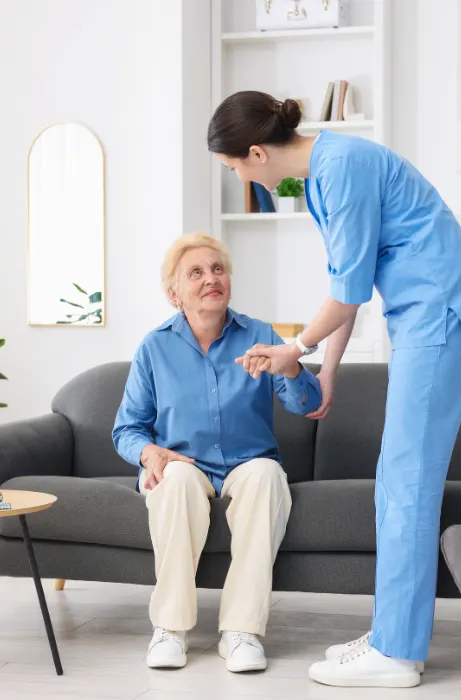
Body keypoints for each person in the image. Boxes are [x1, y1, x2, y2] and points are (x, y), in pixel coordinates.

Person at [208, 91, 461, 689]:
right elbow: (352, 279)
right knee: (400, 478)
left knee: (406, 479)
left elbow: (347, 295)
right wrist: (330, 370)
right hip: (426, 313)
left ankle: (397, 653)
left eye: (234, 166)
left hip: (441, 310)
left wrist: (297, 350)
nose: (239, 175)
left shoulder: (339, 170)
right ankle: (393, 633)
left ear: (257, 153)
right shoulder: (323, 174)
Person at [112, 232, 322, 673]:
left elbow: (306, 405)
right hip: (184, 464)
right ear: (175, 294)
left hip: (250, 463)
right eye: (196, 273)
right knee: (175, 484)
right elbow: (127, 429)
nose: (212, 278)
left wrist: (292, 364)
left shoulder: (261, 335)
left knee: (267, 476)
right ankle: (169, 629)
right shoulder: (155, 347)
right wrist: (149, 452)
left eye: (218, 269)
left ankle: (242, 632)